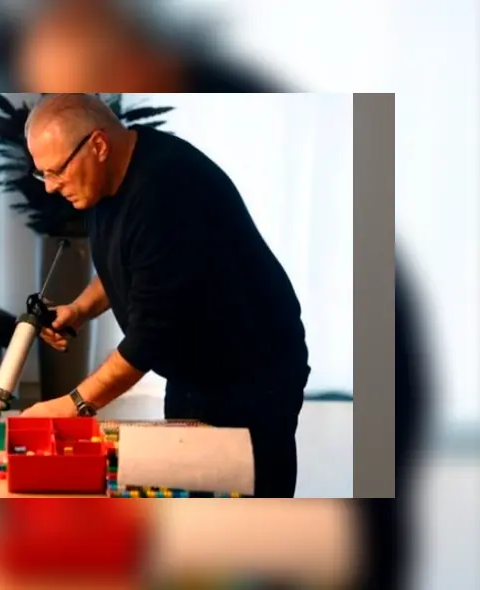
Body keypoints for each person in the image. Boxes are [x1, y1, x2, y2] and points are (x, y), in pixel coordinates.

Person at [20, 94, 310, 498]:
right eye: (43, 175)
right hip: (194, 369)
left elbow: (150, 339)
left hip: (254, 371)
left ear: (98, 145)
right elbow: (127, 261)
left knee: (251, 510)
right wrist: (80, 309)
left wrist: (73, 404)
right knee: (193, 494)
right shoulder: (101, 180)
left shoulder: (167, 192)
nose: (50, 187)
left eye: (56, 172)